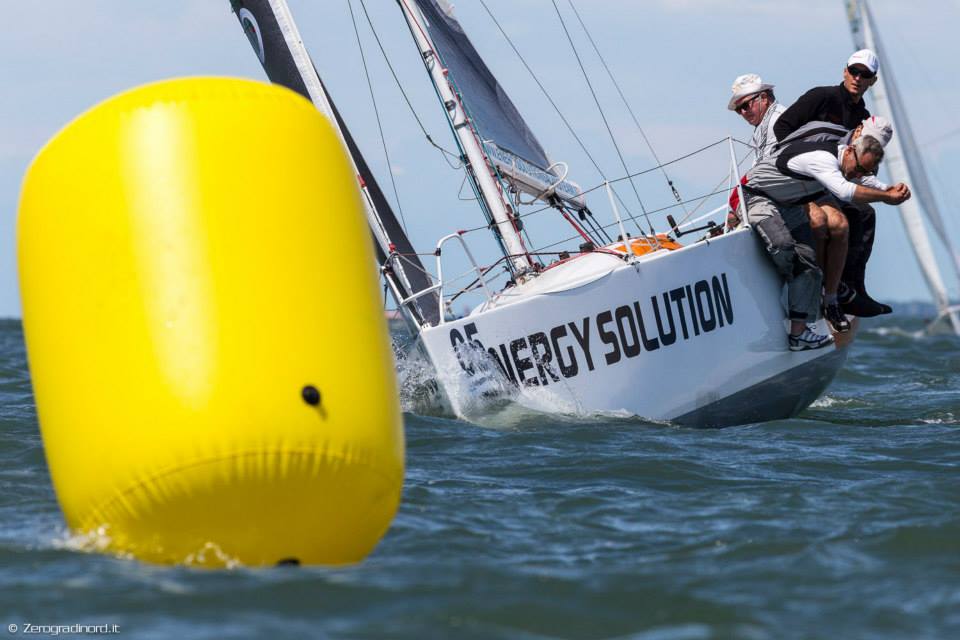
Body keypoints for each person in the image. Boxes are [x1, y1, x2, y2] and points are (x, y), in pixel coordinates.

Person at [742, 131, 910, 351]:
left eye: (864, 171)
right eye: (858, 168)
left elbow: (862, 179)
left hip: (788, 204)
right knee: (784, 246)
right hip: (755, 196)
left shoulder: (849, 162)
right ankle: (783, 300)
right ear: (849, 151)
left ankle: (799, 336)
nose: (858, 174)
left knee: (810, 264)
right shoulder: (823, 159)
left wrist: (887, 188)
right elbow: (845, 190)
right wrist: (887, 198)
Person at [774, 49, 889, 318]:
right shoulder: (821, 97)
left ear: (873, 81)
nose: (858, 78)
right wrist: (803, 162)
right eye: (854, 71)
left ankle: (854, 288)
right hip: (801, 176)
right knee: (829, 221)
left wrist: (884, 188)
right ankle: (824, 288)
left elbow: (857, 163)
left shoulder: (863, 116)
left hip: (830, 182)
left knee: (865, 214)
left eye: (865, 75)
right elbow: (782, 128)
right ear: (845, 71)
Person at [728, 74, 786, 163]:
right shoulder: (765, 122)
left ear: (763, 98)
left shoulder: (776, 122)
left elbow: (769, 165)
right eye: (738, 109)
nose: (743, 112)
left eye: (745, 105)